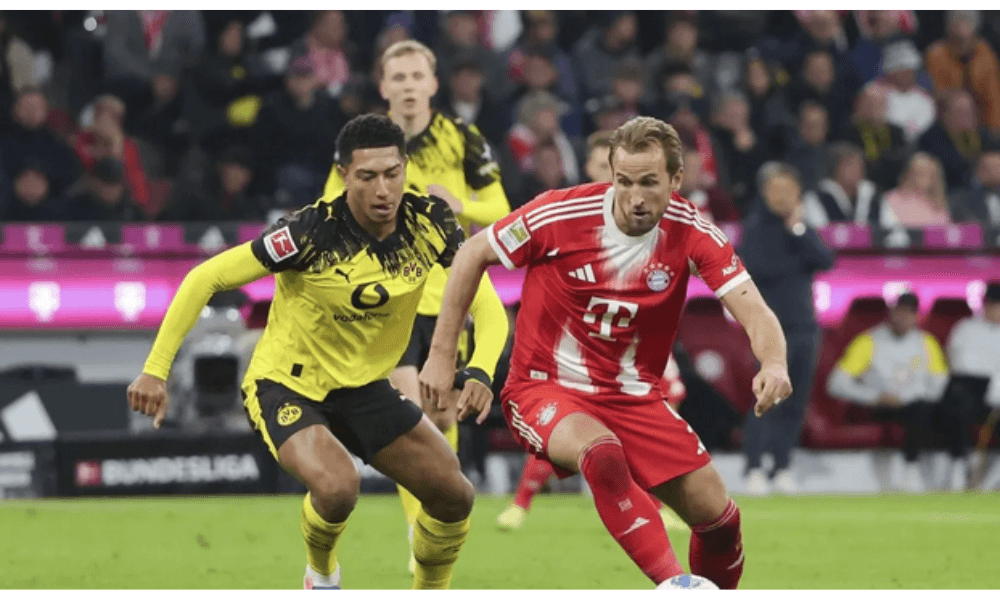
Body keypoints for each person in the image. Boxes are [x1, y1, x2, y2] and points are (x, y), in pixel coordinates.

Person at [127, 114, 506, 590]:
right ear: (345, 175)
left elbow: (489, 306)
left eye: (392, 173)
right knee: (337, 486)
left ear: (405, 168)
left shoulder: (430, 222)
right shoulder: (310, 232)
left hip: (365, 387)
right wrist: (155, 370)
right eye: (367, 176)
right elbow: (206, 277)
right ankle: (321, 573)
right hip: (287, 383)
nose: (383, 189)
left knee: (455, 496)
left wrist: (480, 372)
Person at [421, 116, 793, 589]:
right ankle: (675, 586)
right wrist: (441, 354)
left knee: (720, 522)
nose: (635, 197)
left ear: (676, 180)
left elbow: (756, 313)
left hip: (635, 398)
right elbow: (473, 254)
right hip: (543, 386)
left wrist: (775, 363)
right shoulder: (559, 215)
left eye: (649, 183)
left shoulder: (692, 230)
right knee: (602, 454)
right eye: (624, 181)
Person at [319, 39, 510, 574]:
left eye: (414, 76)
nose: (406, 86)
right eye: (396, 77)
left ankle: (427, 512)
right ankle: (415, 530)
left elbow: (500, 209)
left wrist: (461, 206)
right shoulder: (367, 143)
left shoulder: (461, 137)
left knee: (442, 415)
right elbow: (329, 208)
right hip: (389, 297)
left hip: (451, 297)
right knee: (413, 410)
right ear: (383, 86)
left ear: (432, 83)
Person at [740, 162, 834, 496]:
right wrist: (798, 257)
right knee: (764, 397)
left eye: (789, 189)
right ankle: (753, 467)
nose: (782, 196)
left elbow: (826, 260)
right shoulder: (755, 228)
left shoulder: (800, 227)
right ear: (765, 193)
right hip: (768, 328)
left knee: (796, 401)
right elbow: (760, 268)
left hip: (805, 327)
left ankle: (781, 466)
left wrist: (798, 231)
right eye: (776, 189)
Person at [826, 293, 950, 493]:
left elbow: (940, 384)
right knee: (919, 412)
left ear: (917, 317)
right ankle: (911, 470)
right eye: (900, 312)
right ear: (891, 313)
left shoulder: (927, 343)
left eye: (910, 313)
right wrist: (874, 397)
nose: (904, 318)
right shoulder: (869, 341)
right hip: (879, 406)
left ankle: (942, 471)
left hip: (917, 406)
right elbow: (836, 384)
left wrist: (918, 396)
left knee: (934, 408)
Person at [941, 282, 1000, 490]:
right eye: (994, 304)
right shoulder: (966, 328)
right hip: (969, 387)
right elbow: (960, 364)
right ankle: (959, 464)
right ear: (985, 305)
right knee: (955, 398)